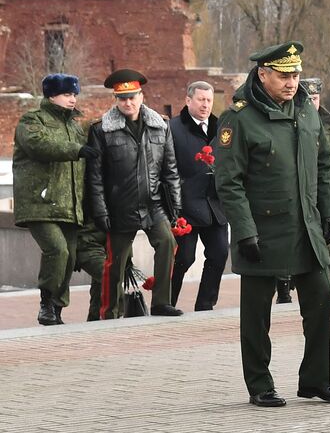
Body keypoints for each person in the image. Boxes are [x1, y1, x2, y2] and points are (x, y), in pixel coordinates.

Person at [215, 41, 330, 408]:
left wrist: (329, 211)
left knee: (321, 295)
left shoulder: (306, 111)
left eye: (296, 74)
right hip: (263, 230)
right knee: (257, 313)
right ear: (263, 74)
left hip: (307, 226)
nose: (292, 82)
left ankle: (316, 380)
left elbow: (324, 165)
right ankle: (260, 384)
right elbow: (229, 181)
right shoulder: (239, 119)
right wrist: (244, 231)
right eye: (284, 75)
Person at [85, 69, 182, 319]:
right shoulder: (102, 130)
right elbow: (95, 178)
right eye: (122, 98)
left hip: (154, 204)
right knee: (114, 262)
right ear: (116, 100)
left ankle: (161, 302)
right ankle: (110, 311)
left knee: (167, 243)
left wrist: (176, 208)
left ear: (141, 96)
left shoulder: (160, 126)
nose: (128, 103)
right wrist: (101, 211)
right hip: (119, 206)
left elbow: (170, 170)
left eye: (132, 97)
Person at [14, 73, 88, 326]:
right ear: (51, 95)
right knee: (56, 250)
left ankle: (56, 308)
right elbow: (39, 145)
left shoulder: (76, 126)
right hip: (40, 202)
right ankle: (46, 303)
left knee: (69, 256)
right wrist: (76, 149)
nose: (72, 99)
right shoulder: (32, 120)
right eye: (67, 94)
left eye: (74, 94)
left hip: (69, 204)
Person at [277, 77, 330, 304]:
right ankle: (283, 286)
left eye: (316, 98)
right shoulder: (291, 120)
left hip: (323, 190)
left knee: (323, 243)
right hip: (295, 191)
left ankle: (322, 288)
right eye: (308, 98)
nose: (312, 102)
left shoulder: (329, 125)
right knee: (290, 238)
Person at [170, 81, 229, 311]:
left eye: (209, 100)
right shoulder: (173, 128)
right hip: (185, 206)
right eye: (200, 99)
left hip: (215, 205)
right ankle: (166, 301)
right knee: (184, 258)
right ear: (188, 100)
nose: (205, 105)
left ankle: (205, 305)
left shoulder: (221, 129)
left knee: (220, 253)